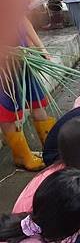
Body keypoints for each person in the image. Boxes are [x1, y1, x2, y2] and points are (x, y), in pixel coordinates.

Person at [0, 18, 56, 171]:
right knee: (6, 109)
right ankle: (22, 156)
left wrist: (41, 48)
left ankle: (51, 148)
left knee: (37, 102)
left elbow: (22, 19)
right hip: (4, 65)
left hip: (24, 56)